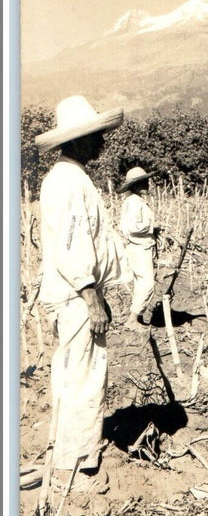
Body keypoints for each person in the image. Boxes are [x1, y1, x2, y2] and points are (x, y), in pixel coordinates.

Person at [35, 94, 125, 491]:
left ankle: (65, 455)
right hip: (76, 295)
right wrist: (92, 298)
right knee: (84, 377)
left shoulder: (69, 178)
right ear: (75, 142)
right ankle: (77, 469)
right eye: (94, 137)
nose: (102, 143)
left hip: (77, 291)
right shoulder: (67, 182)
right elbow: (74, 249)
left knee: (74, 374)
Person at [118, 166, 159, 330]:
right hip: (139, 247)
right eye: (143, 182)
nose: (147, 184)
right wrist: (153, 226)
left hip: (138, 246)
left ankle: (137, 318)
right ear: (134, 186)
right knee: (147, 283)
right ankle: (133, 319)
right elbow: (133, 227)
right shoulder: (134, 202)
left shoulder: (133, 201)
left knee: (140, 282)